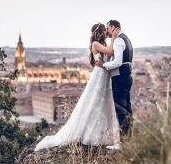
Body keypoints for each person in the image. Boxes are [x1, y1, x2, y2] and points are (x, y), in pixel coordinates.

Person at [34, 23, 120, 151]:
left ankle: (103, 134)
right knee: (94, 102)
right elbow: (111, 51)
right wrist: (114, 37)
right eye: (104, 30)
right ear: (99, 32)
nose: (105, 32)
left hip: (104, 75)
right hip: (100, 75)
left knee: (103, 103)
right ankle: (90, 135)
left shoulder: (101, 44)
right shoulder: (95, 44)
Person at [95, 20, 133, 148]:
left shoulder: (117, 40)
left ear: (114, 27)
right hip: (127, 76)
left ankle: (123, 142)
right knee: (127, 109)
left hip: (119, 77)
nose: (107, 30)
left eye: (108, 27)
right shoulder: (126, 39)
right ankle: (129, 140)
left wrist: (103, 65)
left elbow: (117, 62)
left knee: (121, 109)